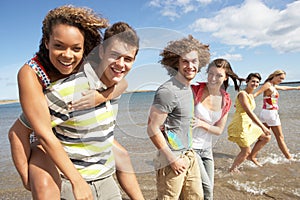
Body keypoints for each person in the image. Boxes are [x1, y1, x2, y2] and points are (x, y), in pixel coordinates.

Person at [8, 5, 142, 199]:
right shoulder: (32, 73)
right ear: (47, 42)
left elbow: (121, 83)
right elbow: (28, 132)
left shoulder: (90, 63)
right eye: (59, 46)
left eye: (75, 48)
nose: (68, 55)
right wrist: (27, 179)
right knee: (44, 187)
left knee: (122, 156)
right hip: (42, 135)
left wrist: (100, 97)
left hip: (81, 143)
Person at [147, 35, 210, 200]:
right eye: (185, 62)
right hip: (171, 159)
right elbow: (152, 128)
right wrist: (172, 158)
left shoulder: (187, 88)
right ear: (176, 63)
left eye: (194, 61)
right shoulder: (168, 91)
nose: (190, 66)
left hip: (189, 155)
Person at [191, 58, 244, 200]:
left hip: (207, 150)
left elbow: (219, 130)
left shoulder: (226, 99)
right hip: (190, 149)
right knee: (206, 189)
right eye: (210, 74)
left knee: (209, 192)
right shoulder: (194, 91)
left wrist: (202, 124)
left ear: (226, 77)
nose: (213, 78)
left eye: (219, 75)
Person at [227, 73, 271, 173]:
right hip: (240, 125)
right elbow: (249, 112)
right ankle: (232, 170)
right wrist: (262, 126)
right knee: (246, 151)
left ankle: (252, 157)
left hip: (248, 124)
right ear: (247, 81)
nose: (255, 84)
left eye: (257, 82)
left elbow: (252, 97)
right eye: (253, 81)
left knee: (266, 137)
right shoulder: (242, 94)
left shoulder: (251, 95)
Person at [253, 70, 300, 160]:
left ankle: (251, 155)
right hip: (271, 114)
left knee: (264, 137)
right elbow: (256, 94)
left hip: (265, 113)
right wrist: (243, 100)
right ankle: (289, 158)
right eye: (280, 78)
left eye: (283, 79)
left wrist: (296, 88)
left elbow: (284, 88)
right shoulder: (268, 85)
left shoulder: (272, 85)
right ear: (274, 76)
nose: (281, 80)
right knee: (280, 137)